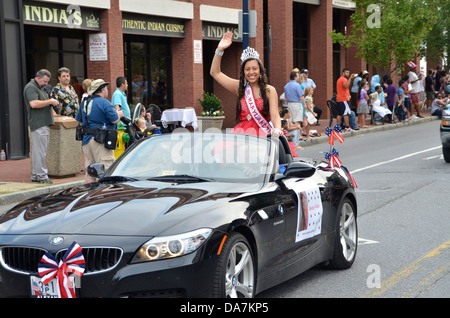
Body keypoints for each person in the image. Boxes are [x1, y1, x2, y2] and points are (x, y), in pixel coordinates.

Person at [210, 31, 282, 138]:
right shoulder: (239, 87)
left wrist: (277, 130)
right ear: (243, 72)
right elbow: (215, 73)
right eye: (247, 69)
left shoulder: (269, 90)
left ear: (260, 71)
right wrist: (220, 49)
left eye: (254, 69)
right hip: (242, 133)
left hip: (263, 133)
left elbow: (275, 116)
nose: (251, 72)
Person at [75, 79, 123, 183]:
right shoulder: (105, 102)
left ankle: (89, 195)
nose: (107, 90)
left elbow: (80, 121)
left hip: (86, 140)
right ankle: (105, 197)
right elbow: (114, 120)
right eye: (106, 88)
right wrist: (119, 114)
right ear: (101, 90)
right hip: (101, 141)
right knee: (106, 169)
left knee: (90, 171)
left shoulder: (84, 102)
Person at [23, 69, 60, 184]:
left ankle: (36, 175)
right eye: (44, 81)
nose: (46, 84)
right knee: (40, 151)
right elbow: (33, 104)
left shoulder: (39, 87)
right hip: (39, 123)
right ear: (38, 78)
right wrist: (50, 101)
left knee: (38, 151)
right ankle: (42, 176)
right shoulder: (31, 87)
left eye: (47, 82)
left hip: (43, 123)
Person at [284, 70, 305, 140]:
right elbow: (301, 96)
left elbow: (286, 97)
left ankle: (292, 136)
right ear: (295, 77)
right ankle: (298, 136)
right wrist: (304, 104)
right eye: (298, 76)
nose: (298, 77)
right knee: (297, 120)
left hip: (289, 104)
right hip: (297, 103)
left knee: (290, 121)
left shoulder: (286, 86)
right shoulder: (297, 85)